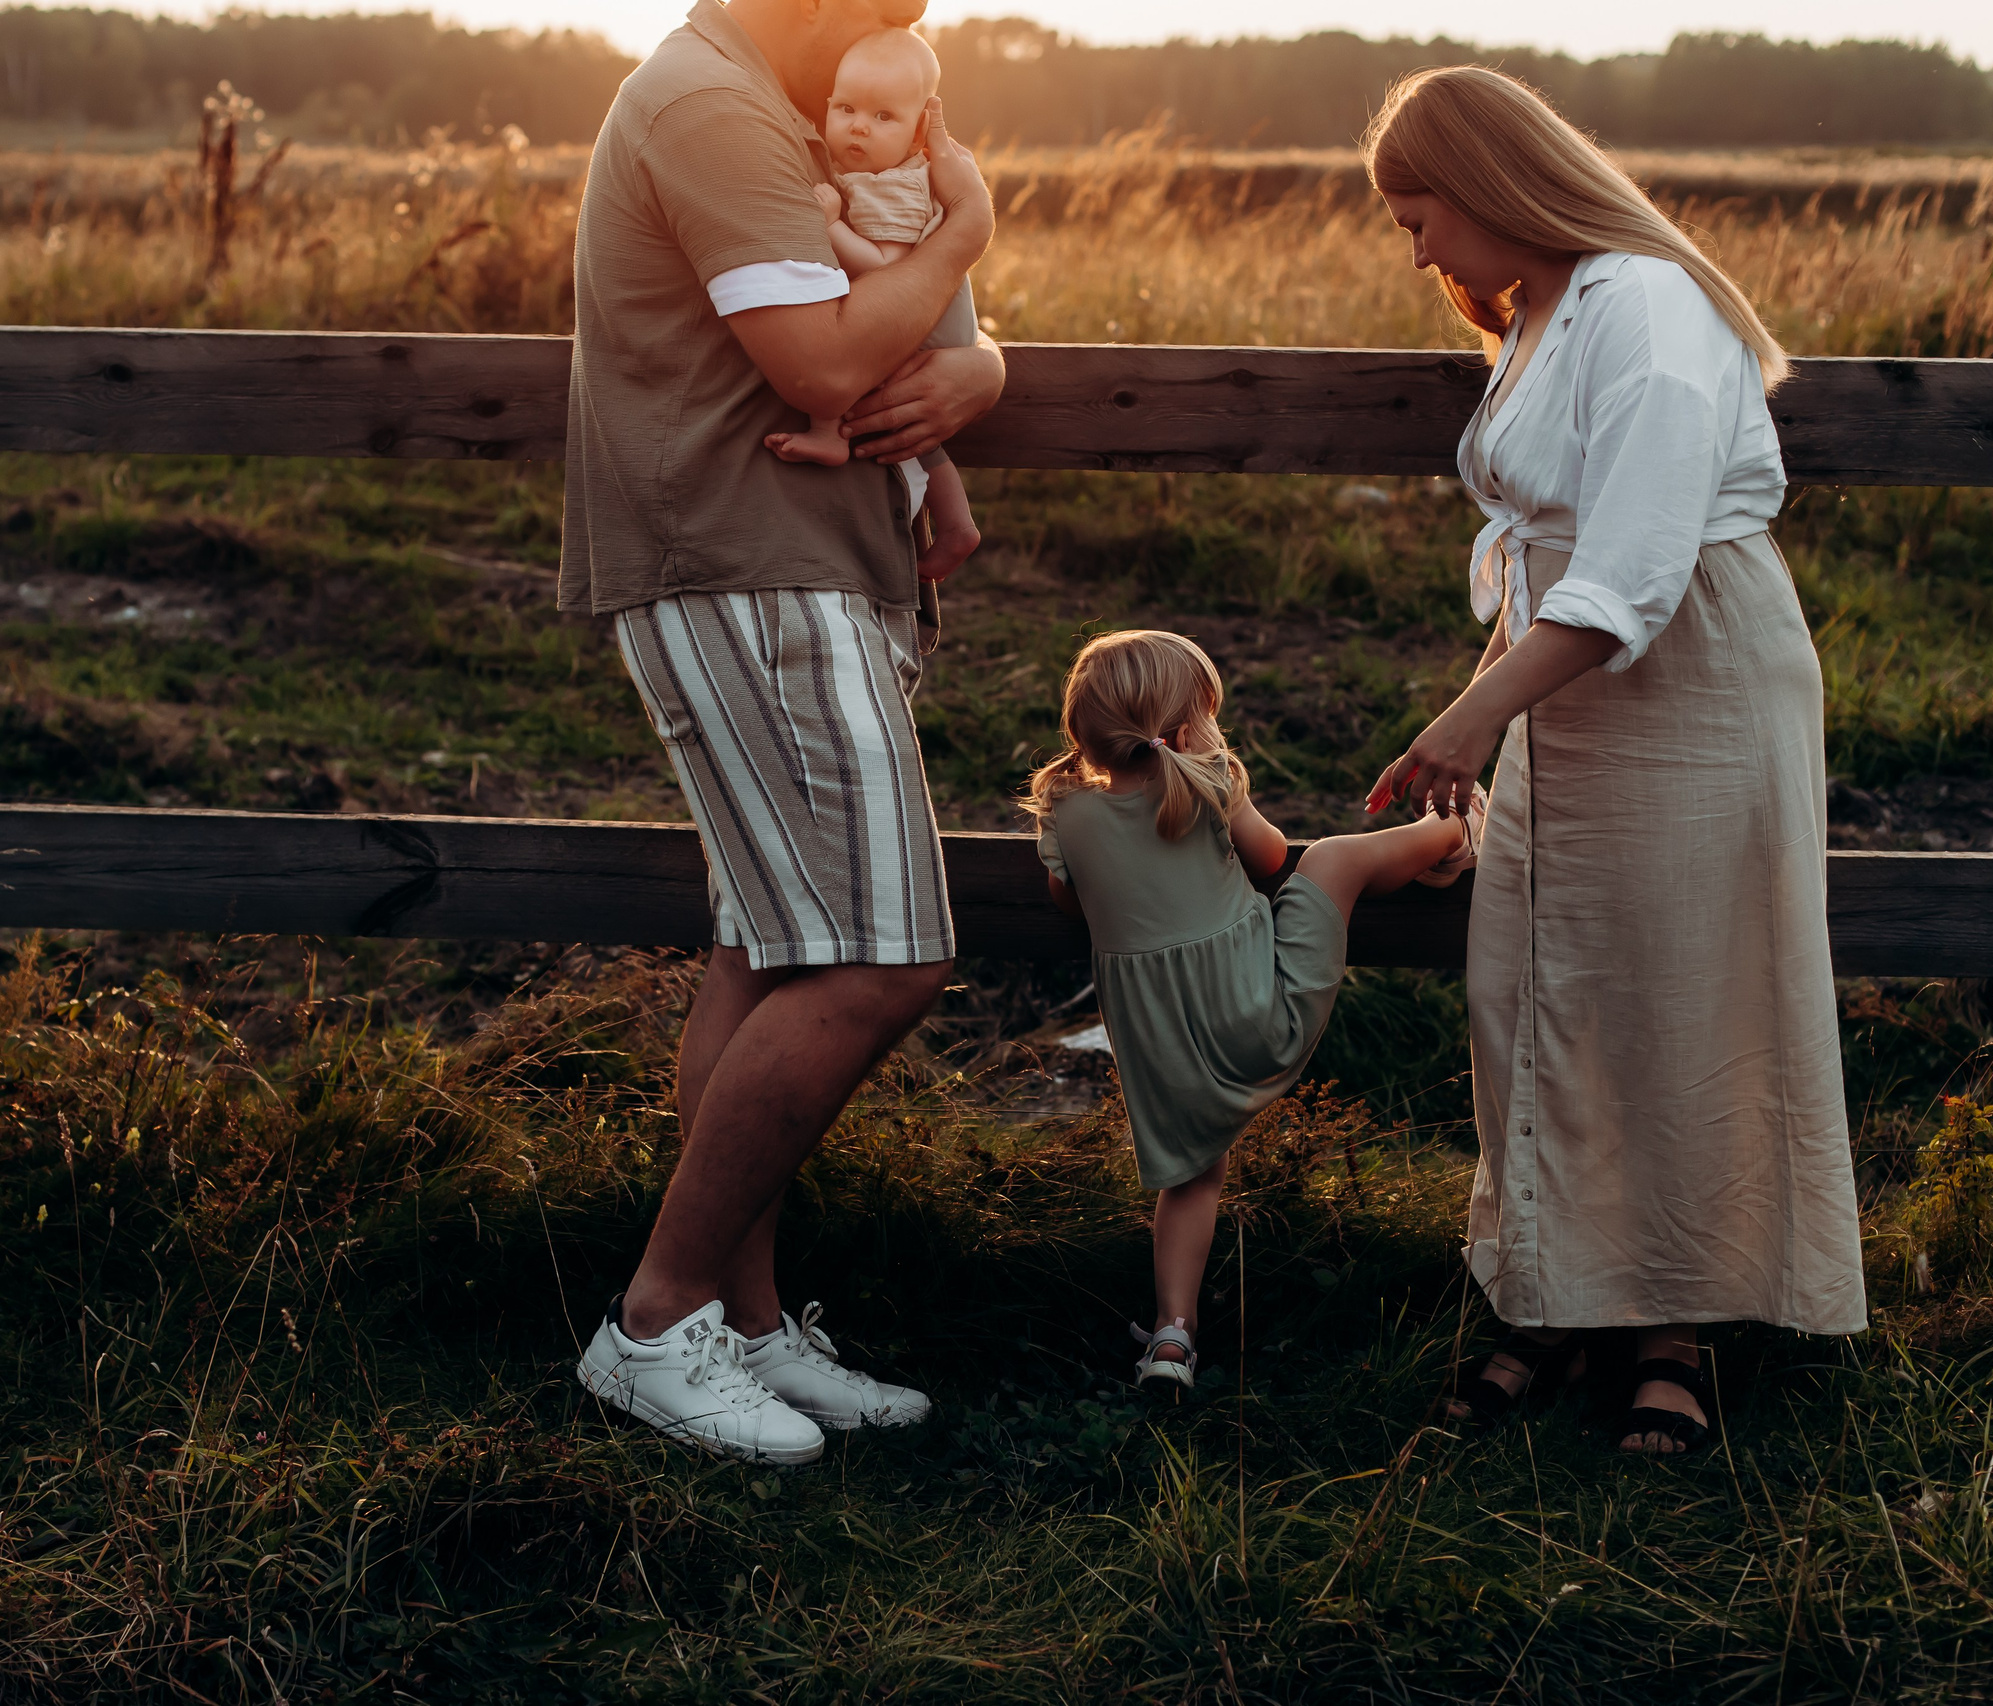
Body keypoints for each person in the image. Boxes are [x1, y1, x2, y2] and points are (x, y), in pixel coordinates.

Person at [1359, 66, 1867, 1454]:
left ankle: (1673, 1328)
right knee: (1540, 984)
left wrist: (1473, 716)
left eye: (1419, 218)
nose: (1416, 252)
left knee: (1676, 994)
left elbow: (1636, 562)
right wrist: (1494, 693)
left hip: (1687, 667)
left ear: (1489, 184)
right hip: (1567, 676)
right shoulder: (1542, 311)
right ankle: (1558, 1292)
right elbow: (1554, 550)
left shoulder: (1646, 302)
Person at [559, 0, 1006, 1466]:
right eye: (886, 7)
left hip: (792, 561)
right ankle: (653, 1321)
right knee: (886, 953)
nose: (901, 27)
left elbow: (895, 320)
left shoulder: (776, 104)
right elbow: (820, 364)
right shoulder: (713, 109)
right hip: (747, 566)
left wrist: (980, 369)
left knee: (768, 950)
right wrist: (969, 230)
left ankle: (741, 1327)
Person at [1025, 631, 1474, 1393]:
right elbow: (1272, 860)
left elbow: (1068, 902)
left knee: (1191, 1181)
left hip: (1164, 1049)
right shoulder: (1208, 783)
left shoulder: (1065, 815)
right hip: (1258, 1014)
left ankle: (1172, 1336)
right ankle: (1458, 830)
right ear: (1183, 727)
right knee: (1333, 858)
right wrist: (1215, 779)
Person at [763, 27, 982, 584]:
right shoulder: (867, 171)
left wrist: (830, 225)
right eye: (846, 108)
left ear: (917, 135)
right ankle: (958, 525)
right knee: (917, 435)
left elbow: (887, 269)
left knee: (846, 352)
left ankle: (828, 433)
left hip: (926, 324)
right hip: (928, 319)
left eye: (883, 116)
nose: (859, 125)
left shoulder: (895, 186)